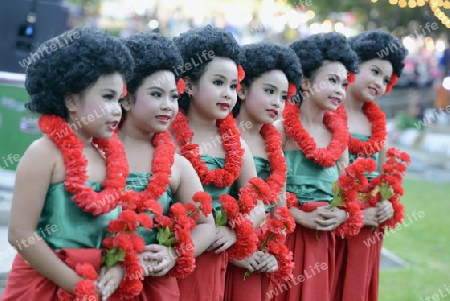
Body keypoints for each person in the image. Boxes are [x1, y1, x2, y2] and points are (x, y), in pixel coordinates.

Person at [2, 27, 134, 300]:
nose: (117, 109)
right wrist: (77, 285)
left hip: (96, 287)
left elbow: (112, 230)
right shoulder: (43, 154)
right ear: (72, 100)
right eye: (107, 97)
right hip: (43, 285)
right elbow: (19, 233)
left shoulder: (108, 157)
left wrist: (117, 268)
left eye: (119, 100)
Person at [115, 32, 216, 301]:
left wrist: (174, 253)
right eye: (156, 94)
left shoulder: (177, 165)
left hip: (153, 286)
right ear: (126, 98)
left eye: (173, 96)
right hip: (100, 279)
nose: (168, 106)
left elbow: (207, 225)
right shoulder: (94, 155)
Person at [170, 25, 265, 301]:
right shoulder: (166, 140)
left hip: (214, 260)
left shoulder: (237, 147)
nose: (228, 93)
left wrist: (233, 229)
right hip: (173, 253)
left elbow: (258, 204)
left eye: (233, 86)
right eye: (218, 83)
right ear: (188, 85)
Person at [273, 32, 359, 301]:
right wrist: (301, 217)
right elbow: (268, 190)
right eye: (332, 80)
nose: (340, 90)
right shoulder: (281, 130)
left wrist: (343, 215)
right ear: (307, 83)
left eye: (343, 83)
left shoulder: (340, 137)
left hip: (324, 240)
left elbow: (348, 194)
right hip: (288, 235)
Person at [332, 30, 407, 301]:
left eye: (386, 79)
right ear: (353, 65)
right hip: (332, 218)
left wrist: (385, 205)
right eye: (374, 71)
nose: (380, 82)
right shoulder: (326, 113)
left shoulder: (378, 127)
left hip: (368, 229)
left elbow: (386, 179)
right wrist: (352, 215)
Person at [225, 42, 302, 301]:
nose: (277, 102)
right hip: (222, 244)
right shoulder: (222, 137)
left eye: (283, 96)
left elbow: (278, 210)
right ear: (243, 90)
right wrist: (236, 250)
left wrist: (272, 250)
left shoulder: (274, 145)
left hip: (261, 252)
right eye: (269, 91)